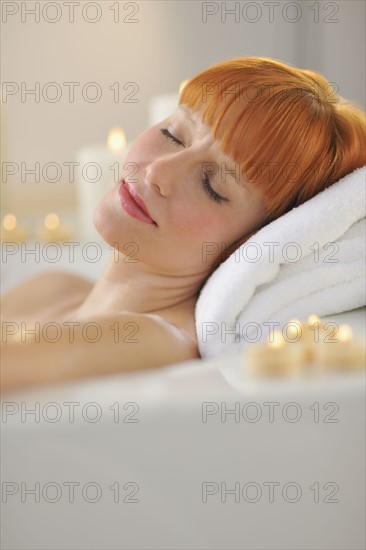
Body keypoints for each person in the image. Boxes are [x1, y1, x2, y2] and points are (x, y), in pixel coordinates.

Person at [1, 56, 365, 393]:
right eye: (173, 135)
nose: (159, 171)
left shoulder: (155, 341)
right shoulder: (53, 286)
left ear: (252, 243)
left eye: (213, 186)